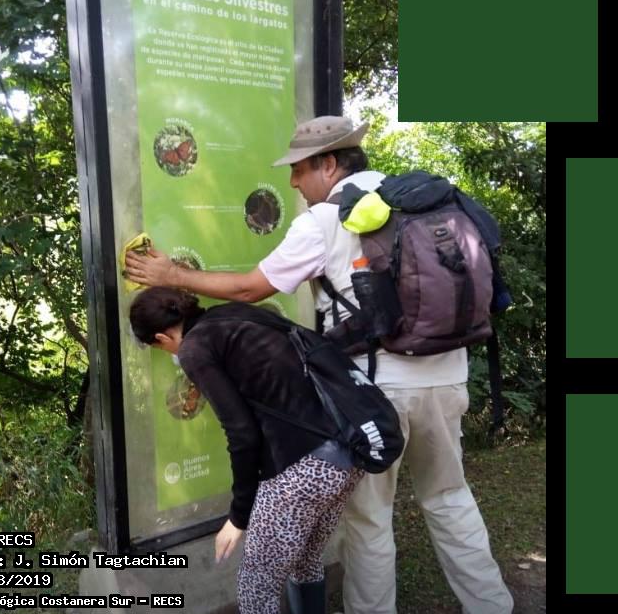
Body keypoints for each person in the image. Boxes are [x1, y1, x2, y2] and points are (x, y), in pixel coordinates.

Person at [125, 116, 513, 614]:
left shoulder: (326, 220)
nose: (293, 183)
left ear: (328, 164)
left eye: (299, 170)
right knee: (450, 498)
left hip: (376, 390)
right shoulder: (416, 201)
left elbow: (249, 288)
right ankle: (492, 606)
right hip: (448, 373)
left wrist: (171, 274)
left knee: (370, 519)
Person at [129, 286, 364, 614]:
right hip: (347, 454)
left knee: (256, 587)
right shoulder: (234, 313)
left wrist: (238, 517)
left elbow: (242, 433)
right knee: (306, 562)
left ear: (161, 337)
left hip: (303, 471)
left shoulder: (194, 349)